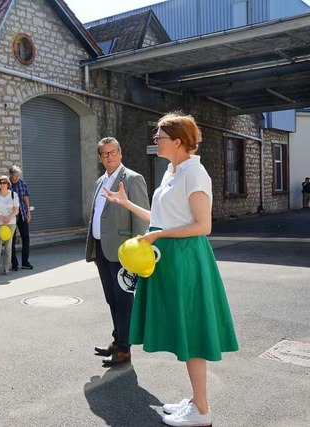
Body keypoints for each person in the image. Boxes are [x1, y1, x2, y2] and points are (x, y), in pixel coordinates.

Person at [103, 113, 238, 427]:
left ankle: (202, 410)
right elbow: (161, 218)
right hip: (171, 258)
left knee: (191, 332)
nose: (156, 140)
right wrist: (127, 204)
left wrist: (160, 235)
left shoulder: (195, 173)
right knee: (185, 332)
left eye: (160, 136)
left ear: (178, 141)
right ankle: (195, 401)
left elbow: (202, 226)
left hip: (187, 260)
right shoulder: (172, 171)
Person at [85, 137, 150, 367]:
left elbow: (141, 220)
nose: (109, 157)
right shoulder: (100, 181)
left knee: (124, 301)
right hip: (102, 250)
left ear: (120, 153)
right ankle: (118, 339)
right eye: (104, 154)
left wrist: (138, 252)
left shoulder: (132, 179)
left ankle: (124, 349)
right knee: (112, 299)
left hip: (124, 252)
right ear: (100, 158)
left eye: (112, 152)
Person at [9, 165, 33, 271]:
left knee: (26, 239)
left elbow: (25, 197)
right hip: (11, 216)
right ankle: (14, 263)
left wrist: (28, 211)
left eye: (18, 176)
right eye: (14, 176)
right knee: (11, 241)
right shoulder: (6, 184)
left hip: (22, 214)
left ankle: (25, 262)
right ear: (11, 175)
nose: (16, 178)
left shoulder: (22, 183)